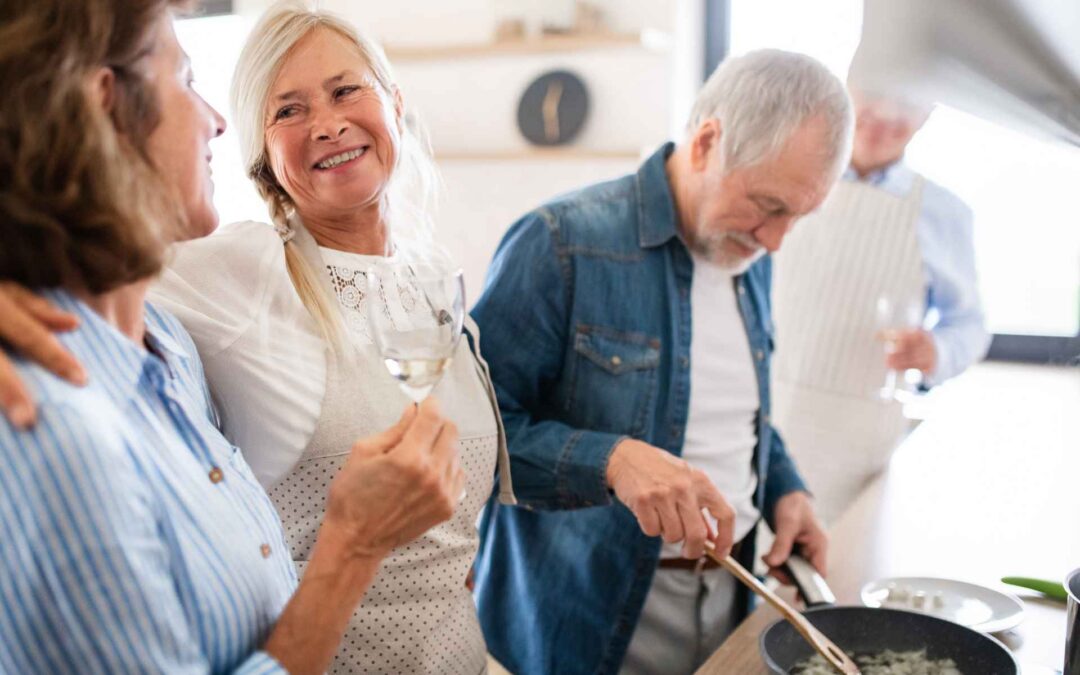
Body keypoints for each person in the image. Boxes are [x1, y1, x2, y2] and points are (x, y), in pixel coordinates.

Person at [0, 1, 516, 671]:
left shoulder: (170, 355)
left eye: (344, 89)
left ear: (394, 101)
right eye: (287, 110)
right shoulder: (233, 274)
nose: (212, 119)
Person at [470, 49, 854, 675]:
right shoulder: (560, 244)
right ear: (706, 142)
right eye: (769, 206)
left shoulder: (747, 256)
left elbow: (736, 410)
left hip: (735, 590)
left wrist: (786, 489)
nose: (776, 241)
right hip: (589, 616)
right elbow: (464, 445)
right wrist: (612, 461)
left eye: (797, 218)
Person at [769, 92, 991, 523]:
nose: (878, 131)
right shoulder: (788, 178)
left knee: (837, 570)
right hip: (766, 412)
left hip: (860, 440)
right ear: (846, 99)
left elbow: (969, 324)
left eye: (899, 123)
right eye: (869, 114)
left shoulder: (943, 212)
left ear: (925, 119)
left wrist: (937, 351)